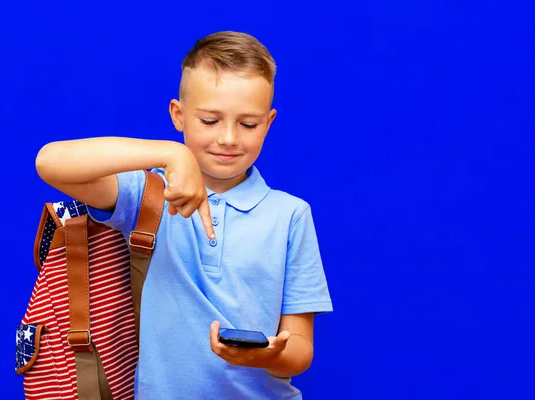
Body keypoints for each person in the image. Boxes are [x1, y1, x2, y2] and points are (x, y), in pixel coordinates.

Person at [35, 30, 333, 399]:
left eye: (248, 124)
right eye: (210, 121)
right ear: (178, 115)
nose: (228, 138)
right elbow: (50, 162)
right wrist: (171, 155)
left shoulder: (291, 215)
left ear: (269, 122)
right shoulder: (150, 195)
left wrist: (269, 356)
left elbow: (301, 350)